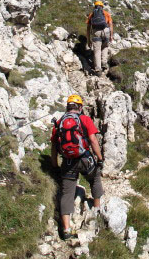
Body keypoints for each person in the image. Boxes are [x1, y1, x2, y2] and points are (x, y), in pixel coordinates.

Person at [50, 94, 104, 239]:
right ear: (80, 107)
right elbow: (92, 140)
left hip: (68, 162)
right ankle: (97, 210)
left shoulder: (60, 122)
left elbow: (54, 146)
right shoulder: (84, 119)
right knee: (95, 179)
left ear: (67, 107)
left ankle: (66, 229)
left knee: (67, 193)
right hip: (85, 159)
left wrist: (55, 166)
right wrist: (99, 159)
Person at [86, 0, 114, 75]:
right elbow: (110, 25)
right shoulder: (106, 14)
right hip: (106, 31)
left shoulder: (92, 15)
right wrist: (111, 35)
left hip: (96, 32)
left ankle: (98, 69)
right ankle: (104, 62)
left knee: (97, 50)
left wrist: (88, 40)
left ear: (95, 6)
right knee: (105, 46)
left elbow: (88, 28)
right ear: (102, 7)